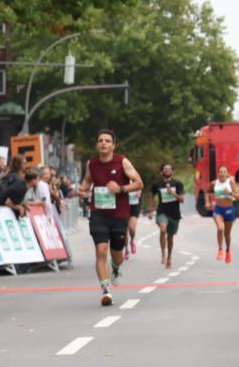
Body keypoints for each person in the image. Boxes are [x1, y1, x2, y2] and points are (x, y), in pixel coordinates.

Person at [77, 130, 143, 306]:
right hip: (98, 214)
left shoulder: (122, 162)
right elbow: (88, 180)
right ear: (97, 144)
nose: (103, 143)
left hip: (119, 215)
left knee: (117, 256)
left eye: (107, 141)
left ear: (113, 145)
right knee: (101, 251)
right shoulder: (92, 163)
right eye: (100, 140)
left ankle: (115, 268)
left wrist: (120, 189)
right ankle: (106, 290)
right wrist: (82, 189)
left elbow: (139, 183)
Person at [147, 163, 185, 269]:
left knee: (170, 237)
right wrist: (150, 210)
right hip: (162, 212)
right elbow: (150, 195)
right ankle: (163, 254)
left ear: (172, 171)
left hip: (174, 214)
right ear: (161, 172)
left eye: (169, 169)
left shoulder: (178, 184)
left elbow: (182, 200)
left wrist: (173, 193)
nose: (167, 170)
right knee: (163, 229)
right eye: (165, 169)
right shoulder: (157, 184)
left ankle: (169, 257)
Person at [209, 165, 239, 264]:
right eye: (221, 171)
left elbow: (238, 197)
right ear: (218, 173)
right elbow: (207, 191)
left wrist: (230, 193)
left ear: (227, 174)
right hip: (218, 210)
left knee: (227, 234)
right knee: (220, 228)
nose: (222, 173)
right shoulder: (214, 183)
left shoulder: (230, 182)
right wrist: (207, 202)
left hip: (229, 210)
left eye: (224, 171)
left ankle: (228, 250)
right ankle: (220, 249)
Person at [126, 185, 142, 259]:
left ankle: (132, 241)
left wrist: (139, 192)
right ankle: (126, 249)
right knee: (124, 231)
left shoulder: (134, 179)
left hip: (134, 206)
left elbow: (140, 185)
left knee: (132, 228)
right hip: (124, 206)